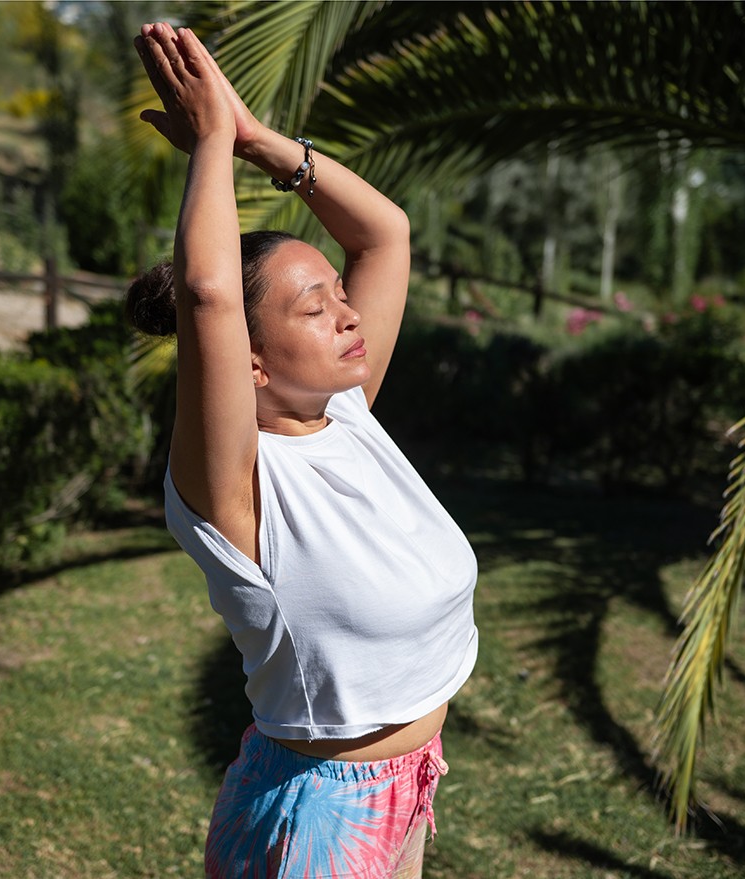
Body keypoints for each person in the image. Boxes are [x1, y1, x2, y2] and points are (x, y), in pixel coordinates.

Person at [128, 22, 479, 878]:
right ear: (247, 362)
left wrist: (255, 141)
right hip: (321, 811)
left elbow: (385, 233)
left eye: (337, 294)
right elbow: (210, 292)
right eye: (314, 308)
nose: (348, 312)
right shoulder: (233, 487)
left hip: (405, 783)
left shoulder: (347, 413)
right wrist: (209, 142)